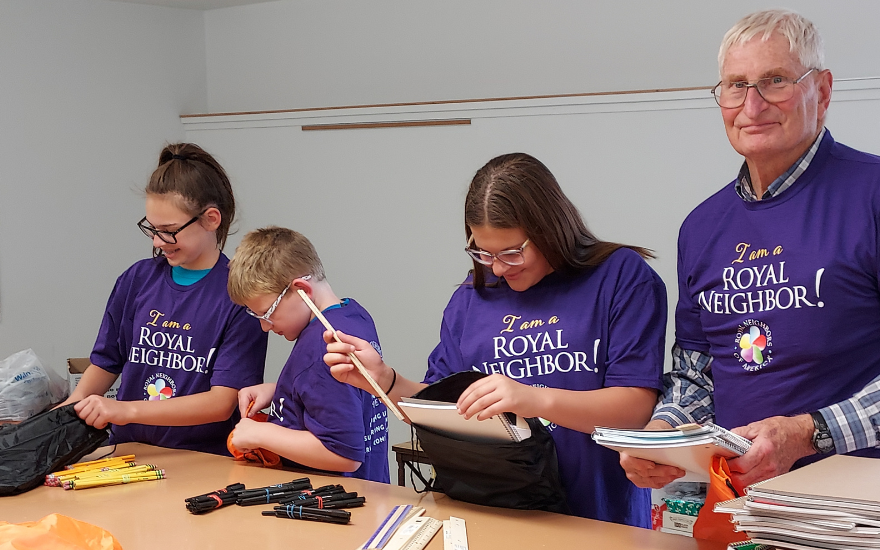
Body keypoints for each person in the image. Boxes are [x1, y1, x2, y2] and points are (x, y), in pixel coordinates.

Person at [324, 153, 666, 526]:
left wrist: (531, 397)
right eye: (483, 253)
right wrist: (384, 381)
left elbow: (634, 410)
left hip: (596, 517)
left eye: (512, 252)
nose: (499, 268)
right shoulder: (471, 299)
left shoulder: (621, 278)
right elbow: (447, 411)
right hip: (492, 517)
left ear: (551, 229)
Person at [621, 9, 880, 491]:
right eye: (736, 85)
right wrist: (663, 434)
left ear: (822, 92)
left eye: (775, 80)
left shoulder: (872, 193)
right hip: (742, 506)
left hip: (859, 511)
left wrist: (809, 433)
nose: (752, 104)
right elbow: (695, 374)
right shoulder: (701, 228)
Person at [60, 143, 267, 456]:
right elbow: (105, 363)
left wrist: (124, 410)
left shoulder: (240, 294)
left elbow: (222, 402)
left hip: (202, 460)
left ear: (211, 219)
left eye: (169, 231)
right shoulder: (137, 279)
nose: (158, 242)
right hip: (128, 454)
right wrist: (53, 422)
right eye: (152, 229)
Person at [226, 227, 390, 483]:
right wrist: (281, 391)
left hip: (332, 506)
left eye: (266, 313)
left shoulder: (323, 348)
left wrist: (259, 434)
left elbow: (344, 453)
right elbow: (343, 399)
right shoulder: (352, 316)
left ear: (301, 289)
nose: (264, 326)